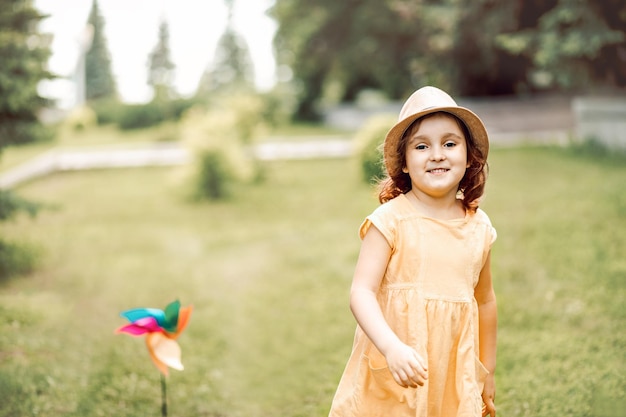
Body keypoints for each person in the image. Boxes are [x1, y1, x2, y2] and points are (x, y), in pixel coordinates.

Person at [328, 86, 498, 417]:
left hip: (451, 371)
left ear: (469, 156)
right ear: (404, 163)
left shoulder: (478, 227)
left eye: (450, 143)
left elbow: (485, 300)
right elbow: (361, 292)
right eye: (422, 146)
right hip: (395, 369)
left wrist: (487, 371)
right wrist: (391, 348)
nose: (437, 154)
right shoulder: (390, 221)